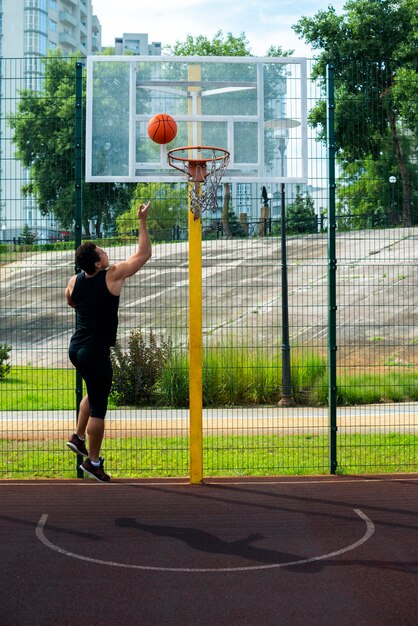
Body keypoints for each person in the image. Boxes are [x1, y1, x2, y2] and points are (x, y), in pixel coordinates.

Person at [65, 202, 151, 482]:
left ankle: (77, 437)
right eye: (102, 251)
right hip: (94, 351)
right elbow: (144, 254)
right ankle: (92, 461)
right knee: (99, 408)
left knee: (94, 390)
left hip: (76, 348)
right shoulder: (111, 275)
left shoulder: (74, 280)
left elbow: (71, 301)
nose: (106, 252)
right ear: (98, 263)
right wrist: (142, 221)